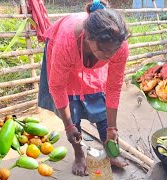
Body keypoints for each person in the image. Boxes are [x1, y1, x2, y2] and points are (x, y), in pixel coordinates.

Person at [38, 0, 130, 176]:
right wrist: (68, 126)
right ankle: (79, 154)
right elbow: (57, 87)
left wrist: (113, 128)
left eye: (114, 51)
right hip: (65, 51)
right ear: (88, 38)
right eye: (104, 52)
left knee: (100, 100)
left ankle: (109, 151)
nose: (109, 57)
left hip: (86, 50)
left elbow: (113, 87)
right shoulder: (66, 43)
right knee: (73, 109)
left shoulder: (117, 46)